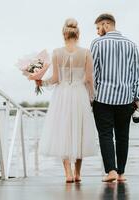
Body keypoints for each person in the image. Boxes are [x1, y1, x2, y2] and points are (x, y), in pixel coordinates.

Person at [36, 18, 97, 183]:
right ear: (78, 34)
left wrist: (41, 82)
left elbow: (55, 79)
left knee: (63, 130)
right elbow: (90, 79)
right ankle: (78, 174)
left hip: (62, 95)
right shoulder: (86, 52)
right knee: (80, 130)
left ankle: (68, 174)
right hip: (79, 94)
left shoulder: (57, 52)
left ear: (64, 34)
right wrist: (92, 97)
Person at [90, 13, 139, 182]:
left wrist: (92, 95)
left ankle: (111, 171)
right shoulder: (131, 45)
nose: (98, 32)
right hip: (126, 98)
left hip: (103, 98)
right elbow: (136, 73)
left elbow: (94, 73)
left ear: (106, 24)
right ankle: (121, 173)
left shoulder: (97, 43)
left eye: (98, 28)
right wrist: (137, 96)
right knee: (122, 136)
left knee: (105, 135)